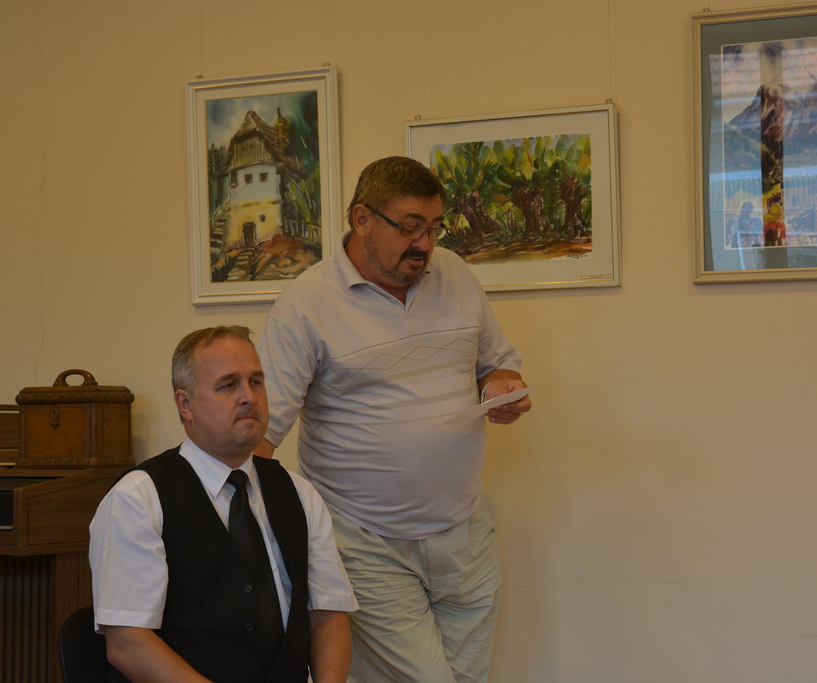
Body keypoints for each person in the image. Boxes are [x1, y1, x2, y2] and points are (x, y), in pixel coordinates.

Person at [254, 156, 531, 682]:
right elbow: (260, 432)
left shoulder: (455, 274)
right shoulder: (306, 304)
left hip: (466, 533)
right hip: (366, 542)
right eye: (409, 227)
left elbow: (496, 362)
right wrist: (250, 538)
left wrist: (502, 386)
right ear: (362, 219)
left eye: (434, 227)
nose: (425, 244)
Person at [89, 326, 358, 682]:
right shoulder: (137, 500)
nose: (249, 397)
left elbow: (328, 615)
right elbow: (128, 643)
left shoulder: (299, 493)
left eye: (256, 382)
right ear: (185, 404)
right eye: (229, 386)